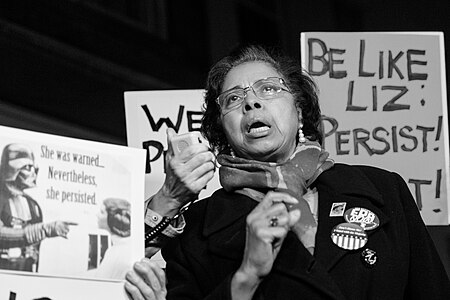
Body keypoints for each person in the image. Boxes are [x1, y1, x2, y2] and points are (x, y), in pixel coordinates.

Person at [125, 45, 450, 299]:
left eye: (268, 89)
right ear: (222, 129)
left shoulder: (381, 189)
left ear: (298, 109)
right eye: (233, 98)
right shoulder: (197, 229)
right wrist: (246, 277)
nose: (251, 102)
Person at [0, 143, 75, 272]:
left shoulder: (33, 205)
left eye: (34, 168)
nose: (34, 174)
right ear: (11, 170)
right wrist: (43, 230)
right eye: (28, 167)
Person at [88, 197, 132, 280]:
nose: (97, 215)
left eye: (102, 212)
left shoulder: (117, 252)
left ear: (113, 218)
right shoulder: (120, 247)